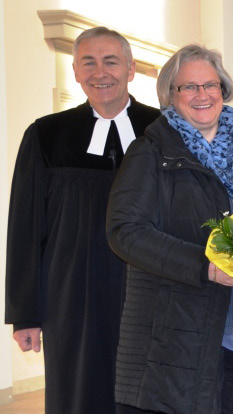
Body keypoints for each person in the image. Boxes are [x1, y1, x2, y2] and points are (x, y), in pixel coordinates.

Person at [106, 44, 233, 413]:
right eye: (189, 87)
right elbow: (125, 231)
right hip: (179, 339)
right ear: (171, 94)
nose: (202, 95)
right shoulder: (150, 152)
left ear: (223, 89)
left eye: (210, 85)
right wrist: (206, 266)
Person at [4, 26, 160, 414]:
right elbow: (25, 228)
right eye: (88, 62)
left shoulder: (164, 132)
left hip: (152, 288)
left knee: (151, 393)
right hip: (71, 295)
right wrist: (25, 314)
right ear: (74, 71)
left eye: (110, 62)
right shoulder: (46, 135)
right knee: (79, 395)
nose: (99, 72)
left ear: (130, 69)